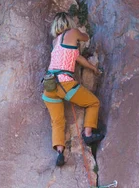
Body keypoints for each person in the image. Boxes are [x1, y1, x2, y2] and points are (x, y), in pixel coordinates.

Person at [42, 12, 105, 167]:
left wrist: (93, 69)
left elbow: (78, 58)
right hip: (65, 84)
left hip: (49, 86)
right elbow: (85, 37)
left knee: (57, 121)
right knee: (93, 103)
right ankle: (88, 134)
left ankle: (60, 151)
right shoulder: (72, 32)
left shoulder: (55, 42)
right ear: (68, 23)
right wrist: (81, 34)